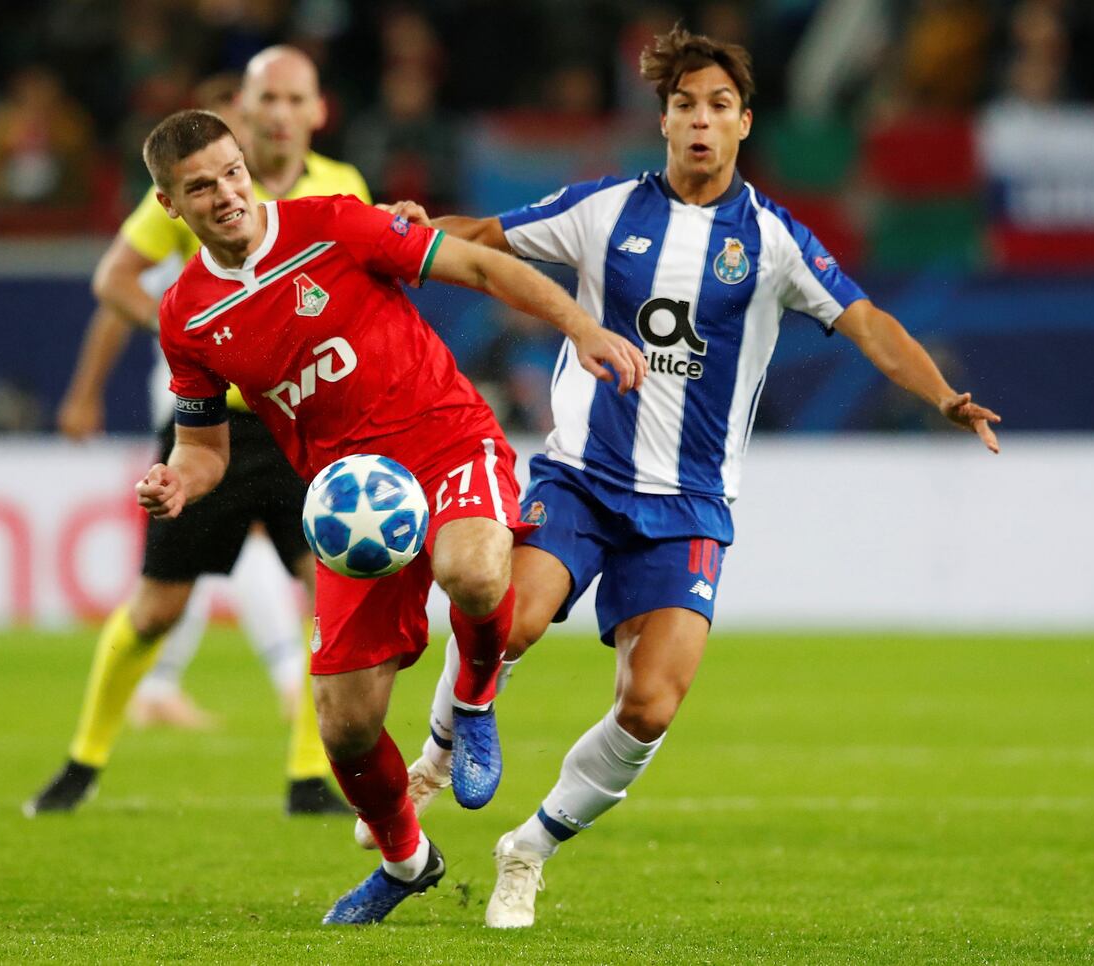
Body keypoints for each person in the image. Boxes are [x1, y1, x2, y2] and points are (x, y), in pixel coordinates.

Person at [385, 25, 1002, 928]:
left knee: (651, 704)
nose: (701, 122)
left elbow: (867, 322)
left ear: (745, 123)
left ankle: (531, 850)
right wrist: (399, 232)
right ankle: (440, 750)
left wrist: (943, 396)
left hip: (690, 506)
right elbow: (481, 238)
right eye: (685, 107)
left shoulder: (774, 241)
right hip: (583, 477)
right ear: (664, 121)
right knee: (507, 616)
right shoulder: (602, 210)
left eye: (719, 107)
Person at [134, 108, 645, 924]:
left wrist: (580, 328)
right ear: (170, 205)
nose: (226, 193)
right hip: (350, 508)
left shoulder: (335, 225)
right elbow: (207, 448)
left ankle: (471, 708)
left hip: (446, 440)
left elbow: (478, 268)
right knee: (342, 724)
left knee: (474, 570)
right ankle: (408, 862)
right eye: (201, 187)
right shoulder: (187, 316)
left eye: (233, 172)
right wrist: (180, 483)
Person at [26, 46, 369, 818]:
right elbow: (113, 278)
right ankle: (83, 761)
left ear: (316, 112)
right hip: (208, 428)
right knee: (155, 610)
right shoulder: (192, 192)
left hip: (302, 424)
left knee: (329, 598)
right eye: (265, 99)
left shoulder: (342, 186)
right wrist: (198, 340)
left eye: (293, 99)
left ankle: (308, 778)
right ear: (244, 111)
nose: (278, 114)